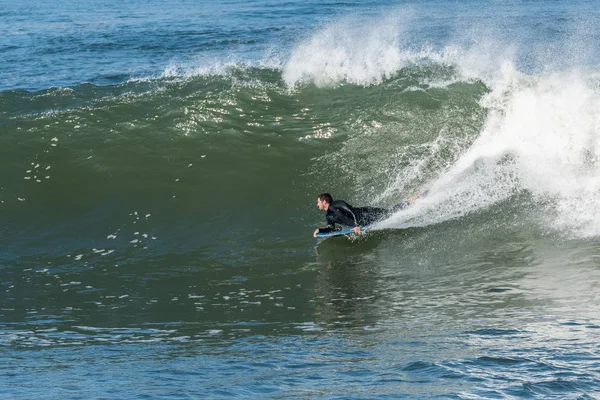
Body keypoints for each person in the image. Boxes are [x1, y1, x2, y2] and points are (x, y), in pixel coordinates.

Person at [313, 192, 425, 237]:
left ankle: (412, 200)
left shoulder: (337, 204)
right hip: (364, 223)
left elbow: (351, 210)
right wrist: (320, 231)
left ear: (324, 201)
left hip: (367, 213)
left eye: (318, 201)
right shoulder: (328, 215)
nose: (317, 204)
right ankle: (409, 201)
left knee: (391, 213)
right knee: (390, 214)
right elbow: (331, 229)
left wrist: (356, 225)